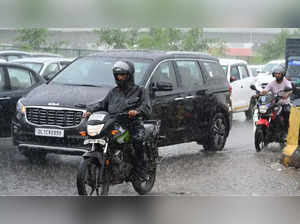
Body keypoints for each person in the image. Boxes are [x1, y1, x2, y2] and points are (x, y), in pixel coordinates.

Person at [84, 60, 152, 179]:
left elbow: (146, 107)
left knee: (137, 141)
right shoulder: (113, 92)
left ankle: (140, 169)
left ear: (129, 75)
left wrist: (136, 111)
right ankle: (110, 163)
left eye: (123, 75)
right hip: (115, 123)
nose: (120, 78)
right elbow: (102, 104)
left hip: (133, 124)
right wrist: (90, 109)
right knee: (103, 138)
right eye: (118, 75)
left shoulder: (140, 90)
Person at [259, 64, 293, 133]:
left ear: (282, 74)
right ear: (273, 74)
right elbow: (266, 90)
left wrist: (286, 95)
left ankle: (285, 132)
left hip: (284, 104)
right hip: (274, 104)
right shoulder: (272, 83)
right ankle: (266, 129)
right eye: (276, 73)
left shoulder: (286, 82)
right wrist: (260, 93)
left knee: (287, 114)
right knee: (265, 112)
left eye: (279, 74)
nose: (277, 75)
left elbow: (290, 90)